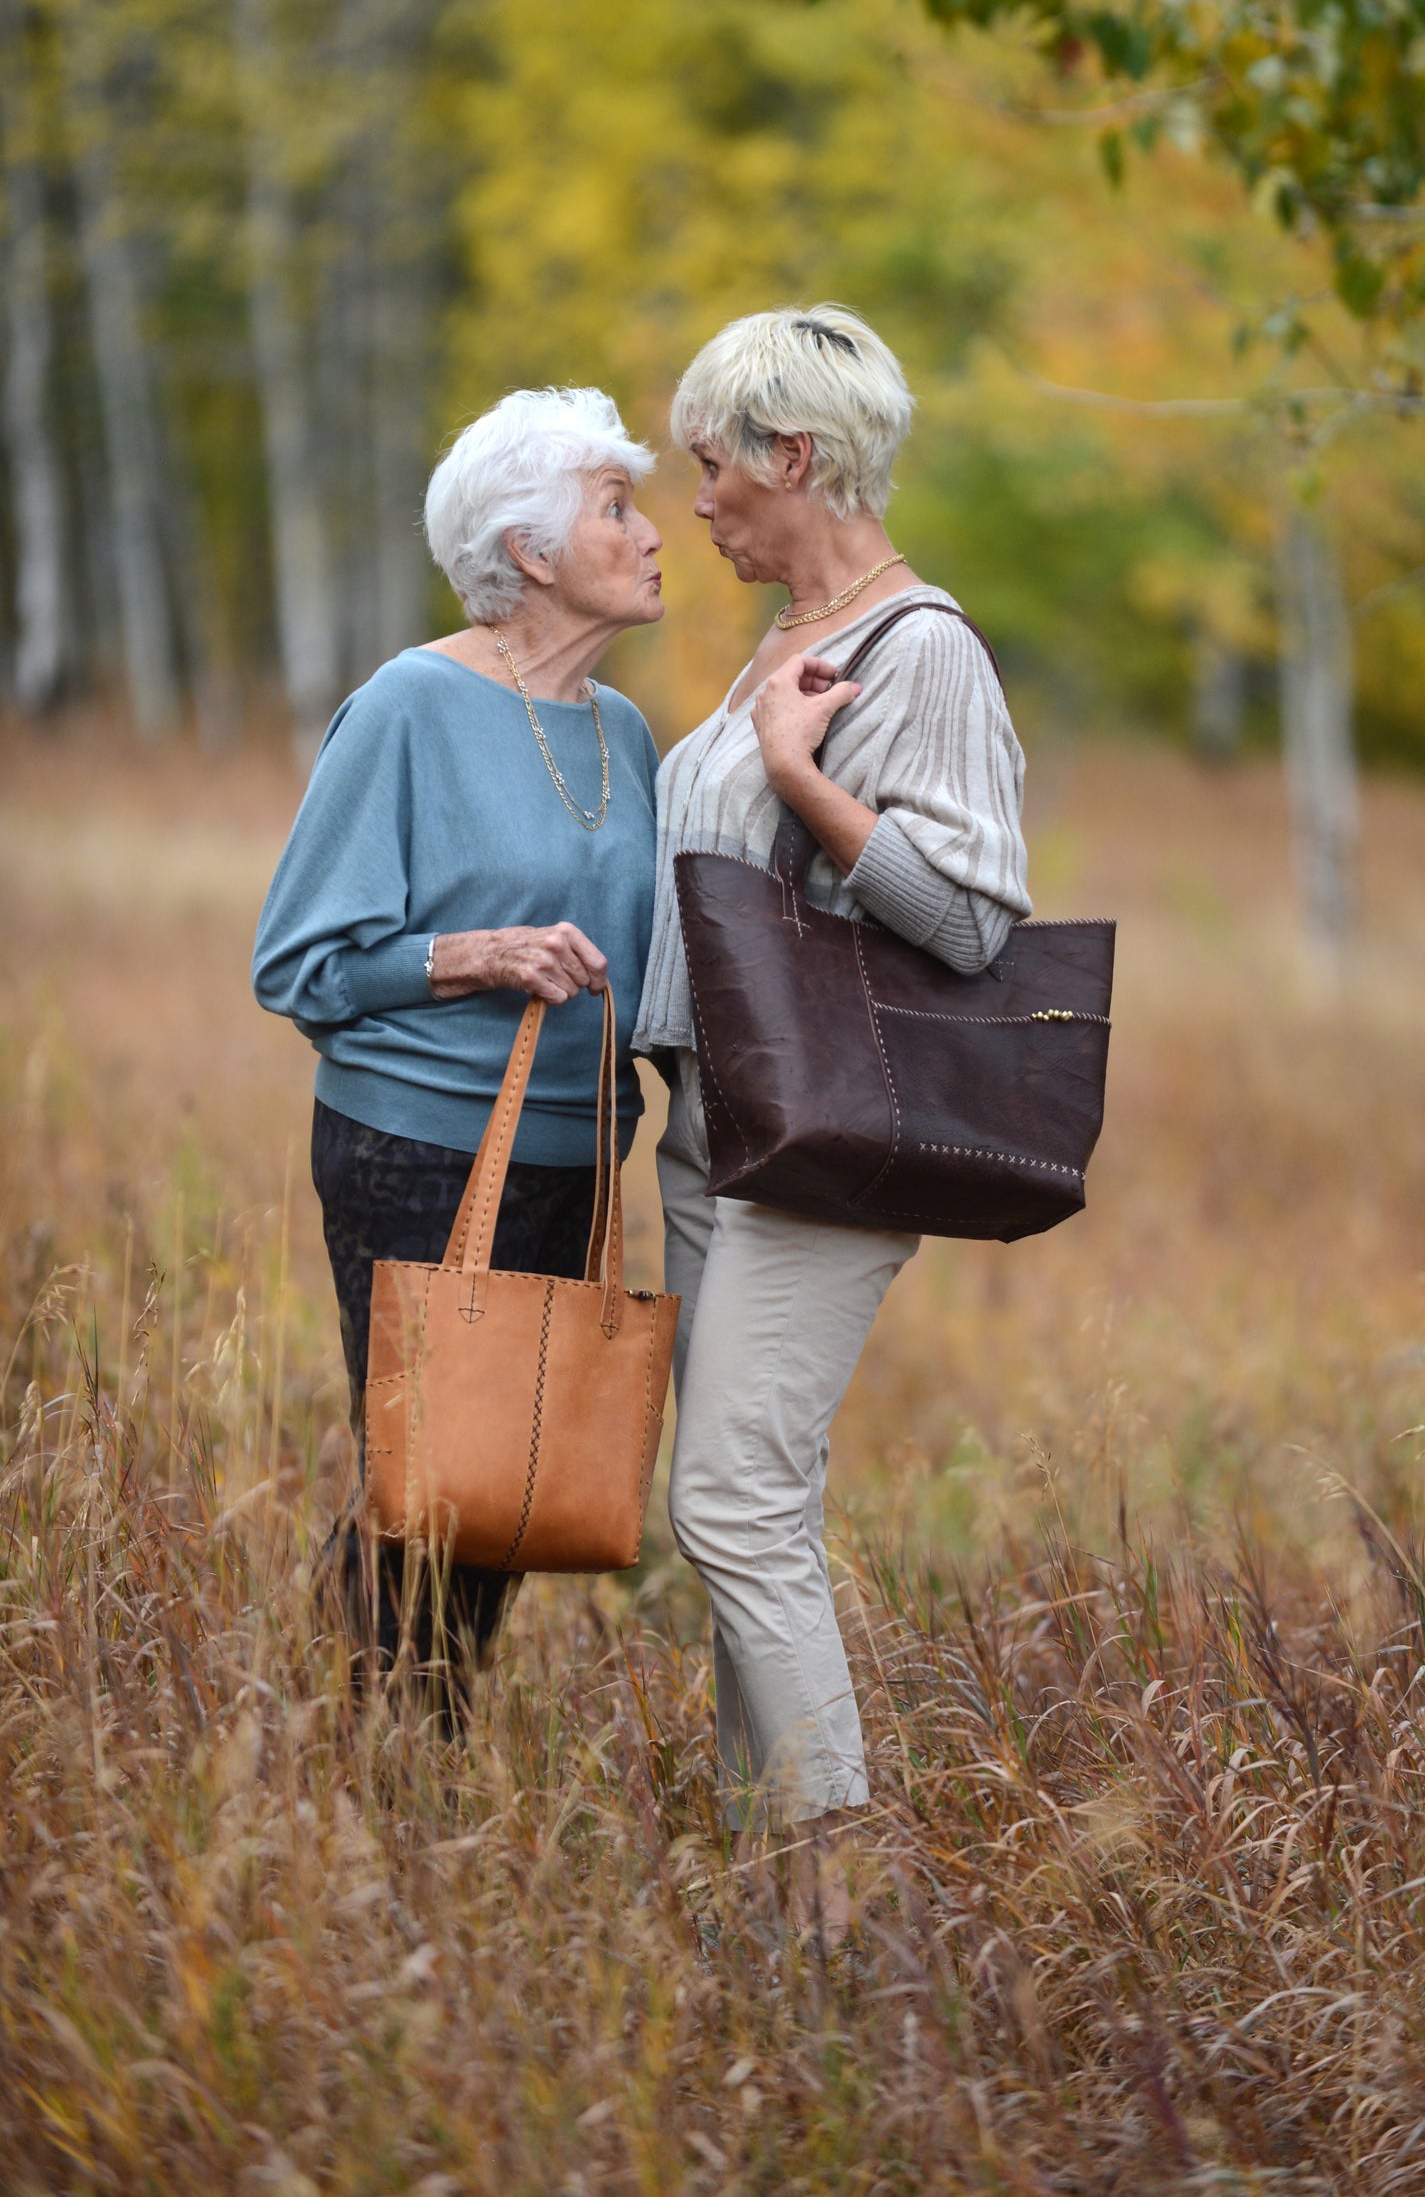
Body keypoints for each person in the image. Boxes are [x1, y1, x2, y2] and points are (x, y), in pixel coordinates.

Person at [635, 304, 1030, 1925]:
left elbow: (976, 919)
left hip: (822, 1144)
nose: (699, 501)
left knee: (725, 1501)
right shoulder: (781, 637)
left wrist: (804, 779)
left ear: (797, 457)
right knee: (750, 1513)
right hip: (712, 1132)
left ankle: (842, 1899)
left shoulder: (921, 647)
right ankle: (770, 1901)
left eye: (714, 465)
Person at [253, 386, 664, 1724]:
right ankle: (370, 1780)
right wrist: (479, 954)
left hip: (578, 1159)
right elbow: (297, 966)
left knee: (510, 1492)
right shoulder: (408, 707)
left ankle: (404, 1776)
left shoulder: (628, 734)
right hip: (417, 1151)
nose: (653, 533)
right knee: (432, 1488)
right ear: (531, 553)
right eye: (618, 507)